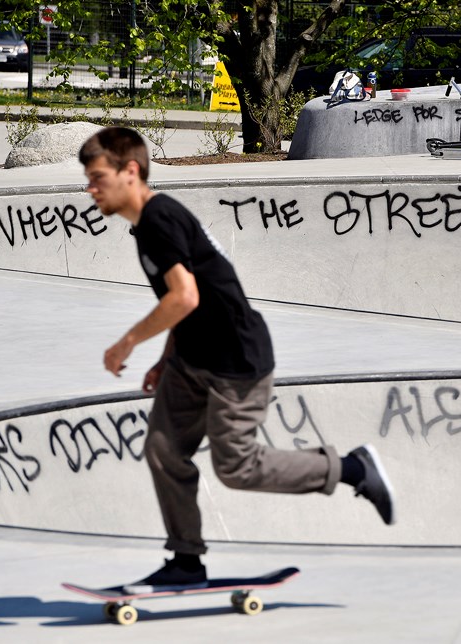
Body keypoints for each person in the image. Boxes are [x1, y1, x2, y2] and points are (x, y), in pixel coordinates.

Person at [78, 127, 395, 593]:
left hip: (236, 363)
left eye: (97, 176)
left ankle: (352, 468)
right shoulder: (148, 226)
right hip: (190, 360)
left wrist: (127, 344)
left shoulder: (160, 218)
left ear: (130, 171)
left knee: (237, 468)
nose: (91, 189)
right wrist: (166, 359)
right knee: (165, 452)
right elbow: (191, 298)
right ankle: (185, 560)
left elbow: (183, 297)